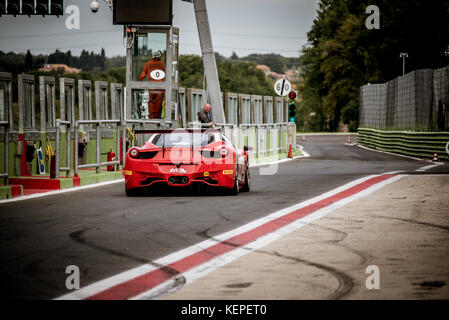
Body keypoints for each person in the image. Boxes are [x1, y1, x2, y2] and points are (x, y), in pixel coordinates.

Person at [138, 50, 166, 119]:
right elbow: (166, 74)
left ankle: (151, 117)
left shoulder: (148, 64)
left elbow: (143, 74)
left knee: (151, 101)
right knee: (158, 102)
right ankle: (156, 118)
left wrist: (138, 82)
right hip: (160, 87)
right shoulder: (162, 65)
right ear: (159, 57)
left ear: (152, 57)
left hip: (151, 87)